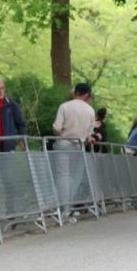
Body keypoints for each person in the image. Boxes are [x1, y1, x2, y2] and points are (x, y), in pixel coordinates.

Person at [51, 82, 95, 219]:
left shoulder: (64, 106)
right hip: (78, 146)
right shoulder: (90, 111)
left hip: (63, 143)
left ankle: (64, 207)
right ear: (87, 95)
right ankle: (69, 206)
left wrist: (62, 131)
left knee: (63, 175)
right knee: (74, 176)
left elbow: (57, 127)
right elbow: (89, 133)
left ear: (75, 92)